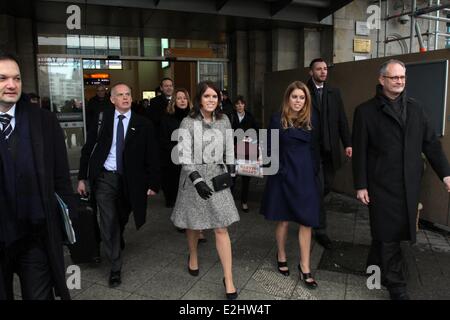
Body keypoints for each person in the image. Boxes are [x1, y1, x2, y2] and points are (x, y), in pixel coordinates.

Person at [352, 59, 450, 300]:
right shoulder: (365, 111)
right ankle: (397, 286)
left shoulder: (416, 108)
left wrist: (446, 173)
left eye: (403, 77)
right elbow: (360, 152)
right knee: (389, 234)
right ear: (382, 80)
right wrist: (361, 184)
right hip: (380, 184)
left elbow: (431, 144)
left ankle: (374, 266)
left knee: (389, 231)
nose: (399, 81)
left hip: (409, 183)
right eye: (394, 77)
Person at [0, 52, 76, 300]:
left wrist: (68, 216)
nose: (11, 85)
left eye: (17, 78)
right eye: (2, 79)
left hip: (36, 236)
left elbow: (62, 178)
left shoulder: (43, 121)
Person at [77, 83, 160, 288]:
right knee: (108, 219)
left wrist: (153, 183)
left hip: (131, 181)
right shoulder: (102, 119)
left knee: (122, 216)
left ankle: (117, 235)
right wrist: (82, 177)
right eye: (120, 95)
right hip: (105, 177)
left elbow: (153, 155)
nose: (125, 98)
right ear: (112, 99)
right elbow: (88, 148)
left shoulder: (143, 123)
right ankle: (115, 265)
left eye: (128, 94)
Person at [170, 81, 240, 300]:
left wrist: (231, 168)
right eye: (207, 96)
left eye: (215, 97)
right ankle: (193, 255)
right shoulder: (188, 122)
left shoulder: (224, 119)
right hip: (194, 179)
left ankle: (228, 279)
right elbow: (184, 155)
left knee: (221, 227)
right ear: (199, 98)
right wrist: (196, 179)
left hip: (218, 177)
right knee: (194, 223)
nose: (211, 100)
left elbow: (229, 147)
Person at [260, 81, 320, 289]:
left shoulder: (312, 119)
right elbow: (268, 148)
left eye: (302, 98)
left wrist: (313, 174)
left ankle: (305, 267)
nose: (298, 101)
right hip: (282, 175)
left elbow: (314, 150)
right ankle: (282, 254)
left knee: (307, 222)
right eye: (294, 97)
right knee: (283, 220)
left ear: (306, 100)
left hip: (304, 177)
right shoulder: (277, 119)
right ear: (288, 98)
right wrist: (274, 170)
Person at [307, 58, 352, 250]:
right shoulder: (303, 91)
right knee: (318, 188)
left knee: (326, 186)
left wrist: (347, 143)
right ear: (311, 72)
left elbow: (342, 119)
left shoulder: (334, 92)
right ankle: (320, 229)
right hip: (311, 150)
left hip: (330, 149)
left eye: (325, 69)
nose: (323, 72)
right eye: (319, 69)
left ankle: (309, 209)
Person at [160, 88, 192, 208]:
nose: (182, 101)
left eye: (185, 98)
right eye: (179, 98)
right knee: (174, 195)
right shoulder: (166, 119)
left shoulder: (195, 118)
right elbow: (163, 141)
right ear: (174, 101)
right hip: (173, 162)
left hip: (192, 161)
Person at [231, 95, 259, 212]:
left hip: (247, 150)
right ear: (235, 106)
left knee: (246, 178)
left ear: (244, 105)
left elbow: (256, 132)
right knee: (232, 177)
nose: (240, 106)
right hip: (233, 150)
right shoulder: (231, 116)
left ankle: (244, 202)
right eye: (237, 104)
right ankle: (229, 202)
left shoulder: (250, 117)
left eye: (241, 103)